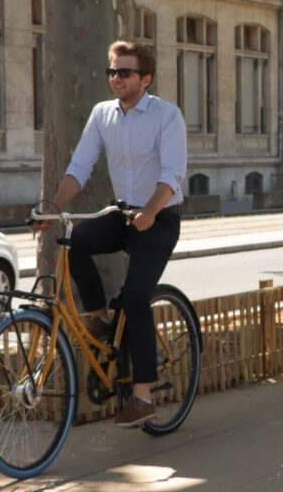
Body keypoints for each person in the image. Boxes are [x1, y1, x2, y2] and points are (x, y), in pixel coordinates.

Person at [33, 40, 187, 428]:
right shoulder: (103, 114)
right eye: (112, 71)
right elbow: (80, 165)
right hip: (122, 213)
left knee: (136, 298)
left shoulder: (167, 116)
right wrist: (52, 210)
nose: (116, 78)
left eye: (125, 72)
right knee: (76, 240)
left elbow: (172, 172)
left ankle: (143, 396)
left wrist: (151, 211)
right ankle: (99, 316)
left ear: (145, 78)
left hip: (160, 216)